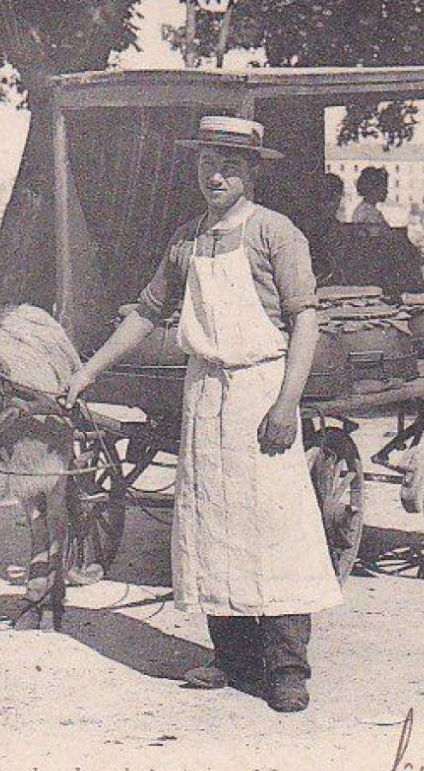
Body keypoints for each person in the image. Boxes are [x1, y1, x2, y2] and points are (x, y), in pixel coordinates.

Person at [63, 115, 343, 713]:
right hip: (205, 392)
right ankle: (232, 657)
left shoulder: (276, 234)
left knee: (275, 525)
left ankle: (288, 667)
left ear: (251, 172)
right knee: (211, 522)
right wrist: (88, 371)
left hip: (261, 389)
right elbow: (145, 314)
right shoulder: (186, 240)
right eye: (206, 164)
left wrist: (287, 402)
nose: (215, 176)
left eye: (230, 166)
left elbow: (305, 321)